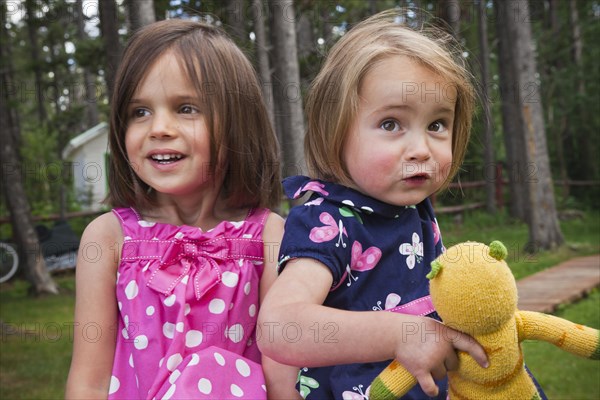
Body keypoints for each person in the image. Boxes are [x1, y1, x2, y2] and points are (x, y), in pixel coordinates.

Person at [257, 10, 489, 399]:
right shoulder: (328, 222)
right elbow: (280, 327)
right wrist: (402, 334)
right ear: (336, 131)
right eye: (390, 124)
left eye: (436, 125)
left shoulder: (412, 211)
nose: (420, 149)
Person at [65, 19, 299, 399]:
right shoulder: (109, 239)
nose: (159, 128)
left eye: (186, 108)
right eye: (139, 112)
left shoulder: (269, 236)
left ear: (238, 122)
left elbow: (281, 379)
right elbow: (88, 381)